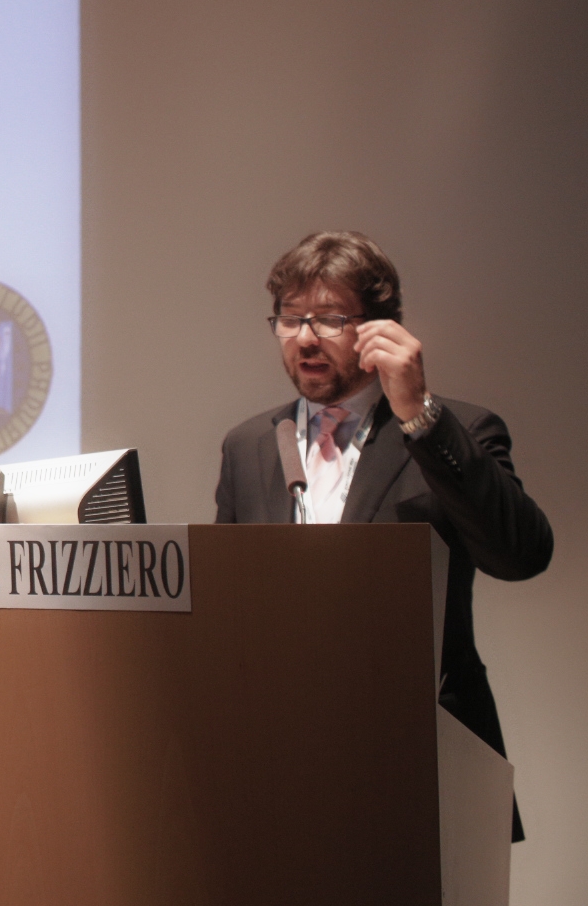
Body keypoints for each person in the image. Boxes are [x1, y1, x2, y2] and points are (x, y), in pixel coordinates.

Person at [215, 231, 552, 840]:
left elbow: (520, 554)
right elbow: (227, 607)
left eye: (329, 319)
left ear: (379, 329)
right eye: (290, 319)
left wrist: (419, 414)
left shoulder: (453, 429)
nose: (305, 338)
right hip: (282, 762)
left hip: (423, 761)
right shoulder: (250, 445)